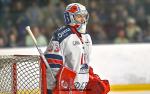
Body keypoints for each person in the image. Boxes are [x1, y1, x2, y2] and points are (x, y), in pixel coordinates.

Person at [44, 3, 110, 94]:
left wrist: (91, 76)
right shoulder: (61, 36)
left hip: (82, 88)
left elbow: (84, 63)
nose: (83, 20)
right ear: (70, 17)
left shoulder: (87, 37)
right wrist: (50, 88)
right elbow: (53, 63)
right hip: (65, 88)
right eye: (79, 16)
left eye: (84, 16)